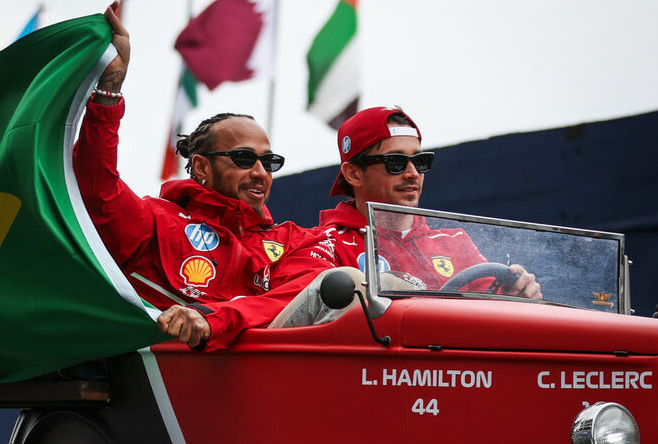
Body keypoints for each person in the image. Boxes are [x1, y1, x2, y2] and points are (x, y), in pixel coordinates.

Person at [74, 2, 318, 350]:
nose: (260, 172)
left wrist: (213, 317)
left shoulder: (296, 241)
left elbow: (308, 295)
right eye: (244, 158)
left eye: (270, 162)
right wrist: (109, 88)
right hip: (163, 392)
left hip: (265, 391)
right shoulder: (154, 222)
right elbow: (96, 186)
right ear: (202, 167)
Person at [270, 106, 542, 327]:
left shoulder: (454, 241)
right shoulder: (320, 245)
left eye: (420, 161)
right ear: (353, 174)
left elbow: (490, 319)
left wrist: (517, 296)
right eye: (396, 163)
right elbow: (287, 325)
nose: (413, 173)